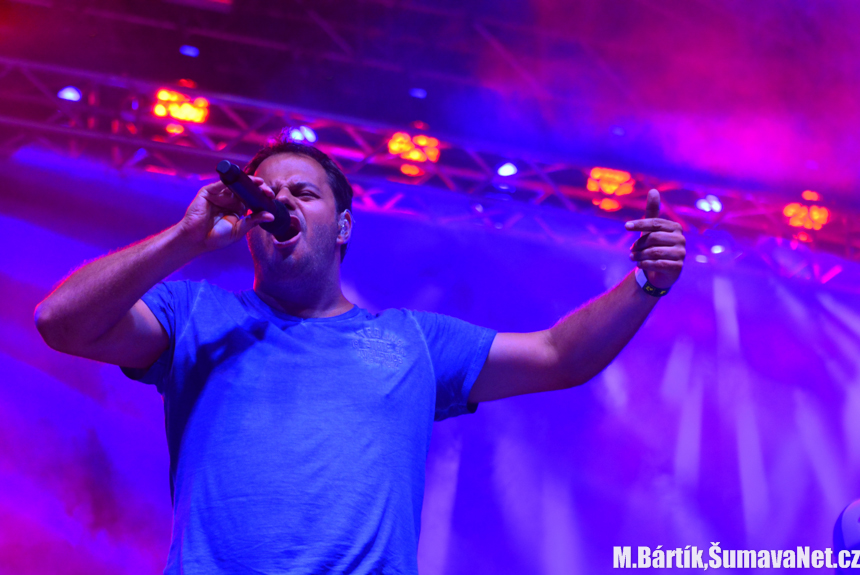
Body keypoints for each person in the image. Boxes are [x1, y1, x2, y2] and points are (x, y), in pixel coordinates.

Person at [34, 135, 686, 574]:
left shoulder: (412, 340)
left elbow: (559, 355)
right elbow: (59, 322)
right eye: (268, 193)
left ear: (343, 225)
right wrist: (186, 235)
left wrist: (646, 283)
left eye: (303, 193)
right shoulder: (196, 313)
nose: (280, 202)